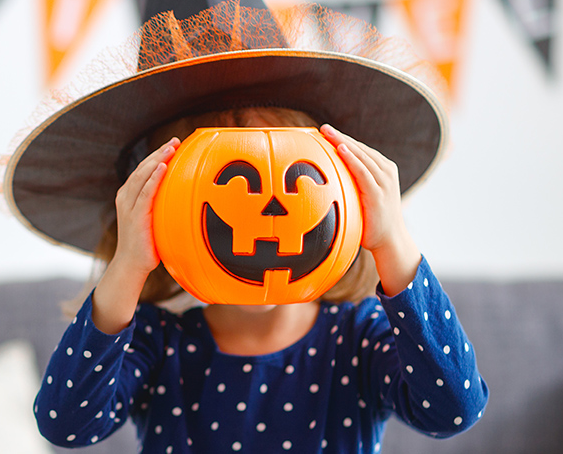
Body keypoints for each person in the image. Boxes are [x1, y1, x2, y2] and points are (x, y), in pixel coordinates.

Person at [30, 106, 488, 453]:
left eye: (296, 187)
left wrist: (394, 243)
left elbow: (453, 411)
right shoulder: (158, 342)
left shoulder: (357, 336)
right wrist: (129, 263)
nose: (270, 216)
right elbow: (65, 424)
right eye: (236, 187)